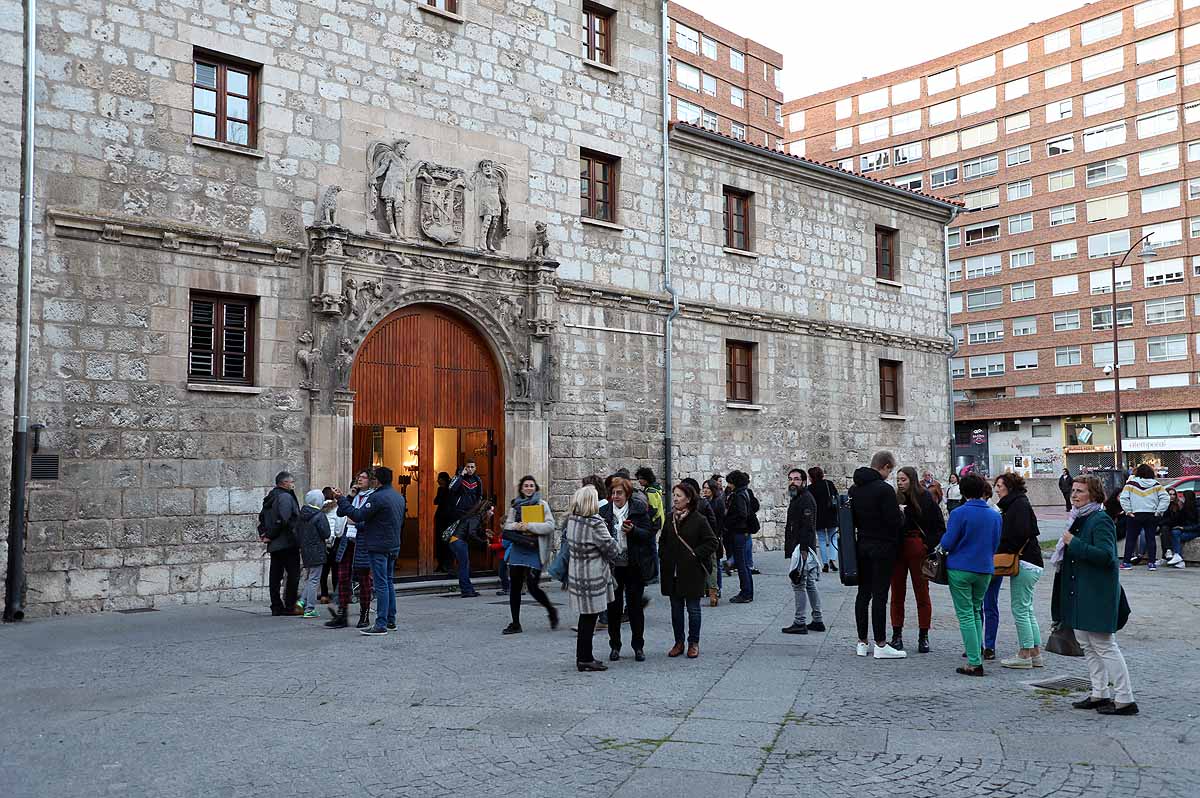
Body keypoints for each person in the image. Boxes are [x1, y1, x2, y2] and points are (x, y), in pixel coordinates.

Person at [1059, 475, 1137, 715]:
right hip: (1081, 592)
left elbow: (1106, 556)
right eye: (1073, 490)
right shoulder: (1080, 518)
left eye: (1080, 491)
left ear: (1093, 495)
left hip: (1097, 593)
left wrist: (1074, 543)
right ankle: (1099, 693)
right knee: (1087, 645)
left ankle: (1125, 698)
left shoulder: (1100, 520)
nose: (1074, 495)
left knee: (1105, 646)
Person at [939, 473, 1001, 676]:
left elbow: (947, 543)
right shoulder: (995, 515)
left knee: (966, 614)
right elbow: (995, 543)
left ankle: (974, 661)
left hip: (961, 568)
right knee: (976, 610)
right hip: (984, 568)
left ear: (963, 492)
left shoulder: (959, 513)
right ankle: (977, 653)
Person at [849, 452, 906, 659]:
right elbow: (893, 521)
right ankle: (881, 644)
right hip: (883, 546)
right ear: (886, 466)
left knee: (863, 594)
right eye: (890, 470)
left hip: (862, 544)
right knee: (880, 595)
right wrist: (901, 513)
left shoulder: (855, 489)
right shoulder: (884, 489)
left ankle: (862, 642)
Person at [336, 466, 405, 636]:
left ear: (377, 480)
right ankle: (390, 619)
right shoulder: (398, 497)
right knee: (388, 582)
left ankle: (381, 623)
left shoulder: (377, 497)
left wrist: (342, 500)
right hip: (392, 544)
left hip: (378, 545)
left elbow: (358, 515)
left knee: (381, 584)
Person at [600, 476, 657, 661]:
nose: (616, 496)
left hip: (634, 565)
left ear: (627, 494)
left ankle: (638, 646)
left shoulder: (639, 510)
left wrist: (633, 531)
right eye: (613, 493)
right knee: (613, 608)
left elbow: (649, 535)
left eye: (619, 493)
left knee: (634, 607)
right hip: (613, 566)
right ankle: (615, 645)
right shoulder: (604, 511)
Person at [660, 482, 719, 658]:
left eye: (679, 495)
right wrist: (663, 555)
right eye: (674, 495)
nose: (675, 499)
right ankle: (678, 642)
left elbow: (712, 542)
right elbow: (663, 541)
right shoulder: (670, 518)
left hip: (692, 572)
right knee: (676, 610)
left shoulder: (699, 519)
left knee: (693, 609)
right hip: (673, 571)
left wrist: (695, 555)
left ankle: (694, 643)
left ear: (689, 498)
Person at [565, 485, 621, 672]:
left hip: (577, 572)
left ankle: (583, 656)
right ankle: (585, 658)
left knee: (584, 617)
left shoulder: (572, 520)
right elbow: (612, 548)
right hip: (593, 573)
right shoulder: (595, 523)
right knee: (590, 618)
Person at [992, 473, 1044, 669]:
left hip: (1025, 561)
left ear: (1009, 487)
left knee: (1020, 609)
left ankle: (1024, 654)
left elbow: (1020, 533)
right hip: (1031, 561)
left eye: (999, 485)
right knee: (1027, 609)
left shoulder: (1017, 504)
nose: (997, 489)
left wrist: (1003, 549)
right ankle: (1035, 653)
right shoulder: (1017, 503)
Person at [891, 466, 943, 654]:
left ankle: (924, 635)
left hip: (918, 548)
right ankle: (897, 635)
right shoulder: (895, 498)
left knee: (922, 593)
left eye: (903, 479)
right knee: (897, 593)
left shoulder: (925, 498)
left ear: (911, 480)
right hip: (898, 549)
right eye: (898, 480)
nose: (900, 483)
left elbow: (938, 526)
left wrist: (926, 545)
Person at [500, 476, 558, 634]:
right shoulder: (515, 505)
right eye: (526, 485)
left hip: (534, 549)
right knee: (515, 587)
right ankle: (515, 623)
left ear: (535, 488)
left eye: (531, 485)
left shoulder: (542, 504)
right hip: (518, 549)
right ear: (521, 488)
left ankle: (551, 610)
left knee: (533, 587)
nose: (529, 488)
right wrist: (518, 526)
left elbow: (550, 525)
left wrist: (530, 526)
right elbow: (508, 525)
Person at [782, 468, 823, 635]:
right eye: (791, 479)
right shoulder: (797, 498)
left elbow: (808, 526)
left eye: (797, 479)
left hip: (802, 547)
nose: (793, 482)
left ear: (804, 481)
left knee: (798, 582)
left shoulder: (805, 499)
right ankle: (817, 619)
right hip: (800, 546)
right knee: (809, 583)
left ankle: (800, 622)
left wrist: (804, 550)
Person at [259, 471, 302, 617]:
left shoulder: (271, 496)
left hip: (277, 543)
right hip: (287, 542)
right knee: (293, 574)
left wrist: (265, 534)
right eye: (291, 482)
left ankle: (276, 606)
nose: (293, 484)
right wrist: (269, 535)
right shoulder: (284, 497)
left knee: (275, 575)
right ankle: (289, 606)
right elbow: (284, 519)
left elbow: (262, 518)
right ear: (284, 483)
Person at [1119, 464, 1169, 571]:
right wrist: (1159, 511)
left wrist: (1128, 511)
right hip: (1151, 515)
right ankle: (1151, 563)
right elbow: (1165, 498)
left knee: (1131, 539)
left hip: (1134, 515)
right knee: (1150, 538)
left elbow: (1124, 498)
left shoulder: (1131, 484)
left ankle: (1126, 562)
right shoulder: (1156, 485)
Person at [296, 490, 333, 618]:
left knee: (311, 577)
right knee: (314, 579)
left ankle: (302, 601)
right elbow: (326, 533)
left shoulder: (302, 514)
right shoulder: (319, 515)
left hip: (306, 550)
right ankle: (309, 608)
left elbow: (297, 532)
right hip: (317, 550)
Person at [724, 470, 759, 603]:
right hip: (742, 531)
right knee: (743, 563)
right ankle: (747, 591)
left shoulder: (739, 495)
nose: (729, 485)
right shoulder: (744, 492)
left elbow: (741, 514)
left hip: (739, 531)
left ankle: (746, 592)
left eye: (730, 483)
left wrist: (728, 522)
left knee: (741, 563)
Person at [448, 499, 493, 598]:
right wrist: (483, 542)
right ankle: (466, 591)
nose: (492, 513)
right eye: (491, 511)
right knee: (464, 566)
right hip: (459, 542)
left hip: (457, 541)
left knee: (464, 566)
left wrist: (484, 532)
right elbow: (471, 533)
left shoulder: (475, 517)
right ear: (486, 510)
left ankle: (469, 589)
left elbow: (471, 530)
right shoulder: (476, 518)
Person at [807, 467, 839, 573]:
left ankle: (824, 563)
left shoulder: (810, 488)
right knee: (833, 538)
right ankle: (832, 559)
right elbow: (836, 496)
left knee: (821, 540)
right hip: (830, 514)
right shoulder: (828, 484)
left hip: (818, 517)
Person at [700, 479, 725, 605]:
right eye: (704, 487)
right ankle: (708, 589)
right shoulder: (705, 502)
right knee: (710, 564)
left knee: (714, 565)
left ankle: (715, 590)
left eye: (708, 488)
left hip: (713, 538)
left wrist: (715, 537)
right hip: (707, 537)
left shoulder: (717, 503)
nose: (705, 490)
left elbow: (717, 523)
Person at [317, 488, 343, 605]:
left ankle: (324, 595)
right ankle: (336, 595)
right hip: (334, 542)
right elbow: (338, 528)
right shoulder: (337, 508)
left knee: (324, 570)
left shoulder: (318, 509)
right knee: (336, 570)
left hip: (322, 541)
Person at [1161, 489, 1197, 568]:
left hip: (1195, 531)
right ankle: (1177, 557)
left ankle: (1178, 557)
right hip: (1186, 528)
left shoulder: (1196, 508)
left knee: (1176, 536)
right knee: (1174, 532)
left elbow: (1197, 526)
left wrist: (1183, 528)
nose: (1182, 499)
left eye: (1183, 497)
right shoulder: (1185, 507)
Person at [634, 466, 666, 533]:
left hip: (654, 522)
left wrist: (644, 519)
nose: (639, 480)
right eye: (639, 478)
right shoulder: (651, 489)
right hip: (656, 521)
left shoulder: (651, 492)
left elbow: (653, 509)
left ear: (647, 478)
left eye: (641, 478)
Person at [433, 471, 453, 573]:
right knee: (441, 542)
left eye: (439, 478)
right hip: (443, 518)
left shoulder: (447, 490)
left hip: (444, 518)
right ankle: (442, 564)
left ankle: (445, 565)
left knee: (445, 542)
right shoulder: (442, 489)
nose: (437, 480)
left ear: (443, 479)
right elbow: (435, 501)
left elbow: (436, 501)